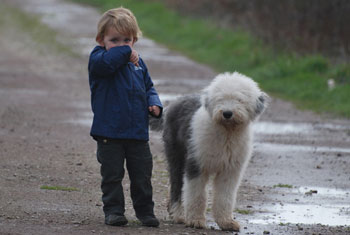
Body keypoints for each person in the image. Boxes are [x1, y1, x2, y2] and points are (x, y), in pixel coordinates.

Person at [88, 7, 163, 227]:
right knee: (112, 175)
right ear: (101, 40)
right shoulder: (99, 59)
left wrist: (154, 103)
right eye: (115, 40)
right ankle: (114, 211)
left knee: (142, 176)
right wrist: (126, 51)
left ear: (135, 40)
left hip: (137, 132)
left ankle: (145, 212)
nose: (122, 45)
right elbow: (109, 62)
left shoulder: (138, 64)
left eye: (127, 40)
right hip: (108, 132)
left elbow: (149, 87)